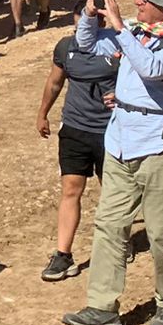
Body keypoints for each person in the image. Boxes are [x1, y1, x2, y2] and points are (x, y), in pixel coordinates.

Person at [60, 0, 163, 325]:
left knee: (161, 232)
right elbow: (86, 43)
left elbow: (152, 68)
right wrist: (91, 16)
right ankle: (102, 307)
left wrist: (120, 27)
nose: (137, 3)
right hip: (120, 142)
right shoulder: (135, 32)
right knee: (109, 225)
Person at [36, 25, 119, 283]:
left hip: (111, 129)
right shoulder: (66, 47)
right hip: (75, 128)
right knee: (71, 189)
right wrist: (42, 114)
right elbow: (55, 82)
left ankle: (117, 243)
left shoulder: (119, 44)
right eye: (78, 26)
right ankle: (63, 254)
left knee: (113, 191)